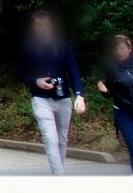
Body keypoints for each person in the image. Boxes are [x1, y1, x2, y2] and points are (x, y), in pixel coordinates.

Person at [16, 10, 87, 175]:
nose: (43, 28)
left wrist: (79, 95)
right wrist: (35, 81)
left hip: (63, 98)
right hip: (41, 99)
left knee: (62, 140)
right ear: (34, 27)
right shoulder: (28, 48)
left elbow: (74, 71)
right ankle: (59, 175)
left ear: (51, 25)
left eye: (45, 24)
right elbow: (19, 73)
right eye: (39, 25)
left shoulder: (63, 46)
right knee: (51, 138)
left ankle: (57, 174)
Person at [96, 34, 133, 173]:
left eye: (122, 48)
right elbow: (111, 93)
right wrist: (104, 90)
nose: (119, 52)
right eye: (116, 49)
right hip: (123, 112)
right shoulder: (112, 68)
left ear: (129, 49)